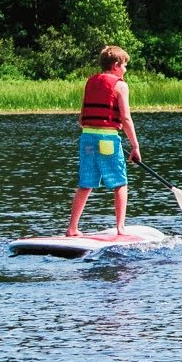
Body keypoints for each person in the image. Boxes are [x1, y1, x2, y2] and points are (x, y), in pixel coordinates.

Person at [66, 44, 141, 237]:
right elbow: (125, 119)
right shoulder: (120, 85)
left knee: (85, 183)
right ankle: (120, 228)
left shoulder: (90, 82)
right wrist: (135, 146)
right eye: (124, 65)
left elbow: (82, 119)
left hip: (87, 139)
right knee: (120, 183)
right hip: (108, 140)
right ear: (116, 65)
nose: (125, 70)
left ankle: (72, 228)